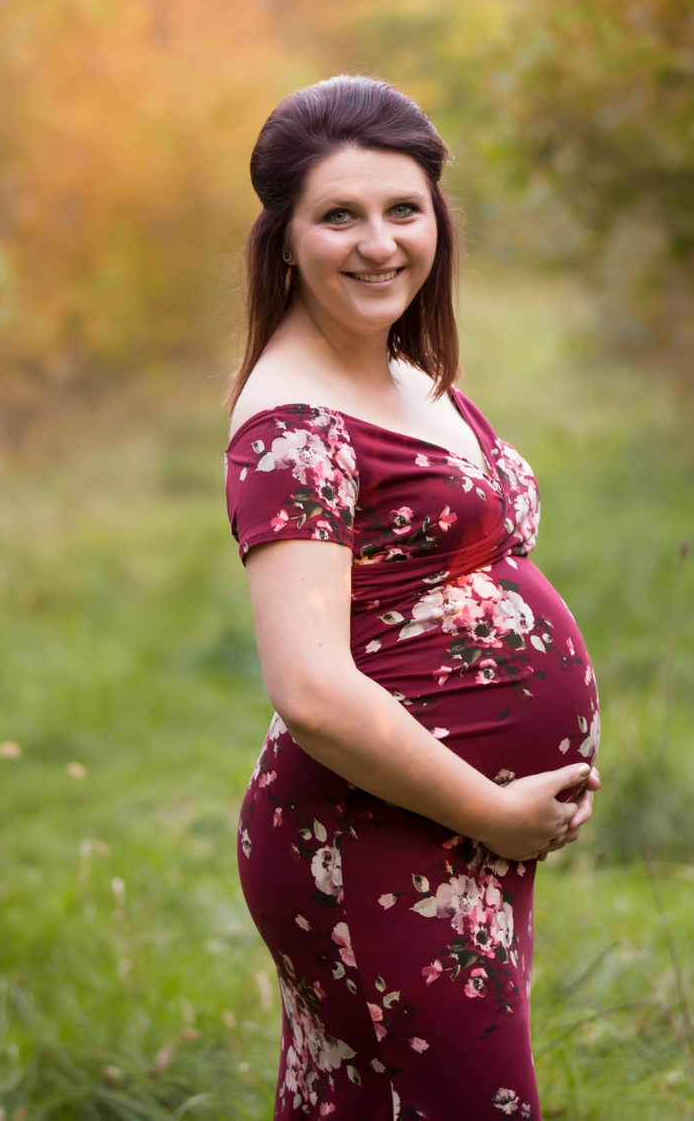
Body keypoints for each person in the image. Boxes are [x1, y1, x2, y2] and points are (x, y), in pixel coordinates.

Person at [225, 76, 602, 1119]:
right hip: (372, 838)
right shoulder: (293, 425)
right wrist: (492, 811)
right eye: (336, 215)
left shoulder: (392, 371)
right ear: (285, 238)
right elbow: (306, 688)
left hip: (433, 831)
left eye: (402, 209)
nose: (378, 242)